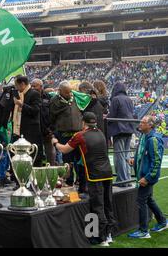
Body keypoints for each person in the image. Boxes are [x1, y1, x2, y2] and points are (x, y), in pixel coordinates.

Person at [52, 112, 116, 246]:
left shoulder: (80, 135)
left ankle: (102, 238)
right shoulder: (100, 133)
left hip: (94, 175)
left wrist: (55, 143)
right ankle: (110, 233)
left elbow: (64, 150)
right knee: (108, 203)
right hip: (108, 172)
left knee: (98, 205)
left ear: (83, 122)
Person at [128, 115, 167, 239]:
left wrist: (148, 177)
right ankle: (162, 221)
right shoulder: (144, 136)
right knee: (148, 199)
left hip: (147, 177)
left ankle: (144, 231)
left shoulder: (153, 139)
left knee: (141, 201)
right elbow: (142, 154)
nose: (140, 124)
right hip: (143, 174)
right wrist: (135, 159)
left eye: (143, 122)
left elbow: (156, 162)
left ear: (150, 125)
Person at [49, 81, 84, 191]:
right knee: (67, 160)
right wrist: (54, 133)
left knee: (79, 159)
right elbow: (52, 119)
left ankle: (81, 181)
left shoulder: (76, 98)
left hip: (78, 134)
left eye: (70, 92)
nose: (69, 94)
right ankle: (69, 181)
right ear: (60, 91)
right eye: (66, 92)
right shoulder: (54, 101)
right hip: (64, 134)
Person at [107, 82, 135, 187]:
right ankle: (127, 180)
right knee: (126, 155)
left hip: (119, 130)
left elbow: (112, 115)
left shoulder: (115, 99)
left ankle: (122, 181)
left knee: (120, 156)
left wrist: (106, 118)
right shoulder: (129, 99)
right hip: (129, 129)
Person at [12, 75, 43, 166]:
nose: (16, 88)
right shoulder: (20, 94)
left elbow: (35, 110)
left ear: (22, 84)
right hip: (21, 130)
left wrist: (21, 105)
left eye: (17, 85)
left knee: (32, 155)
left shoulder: (34, 94)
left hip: (32, 131)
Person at [31, 78, 55, 165]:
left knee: (51, 154)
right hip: (35, 131)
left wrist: (51, 129)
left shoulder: (48, 97)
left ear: (41, 87)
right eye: (32, 86)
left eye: (35, 86)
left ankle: (51, 171)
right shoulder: (29, 97)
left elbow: (53, 114)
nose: (33, 88)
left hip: (47, 131)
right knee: (36, 153)